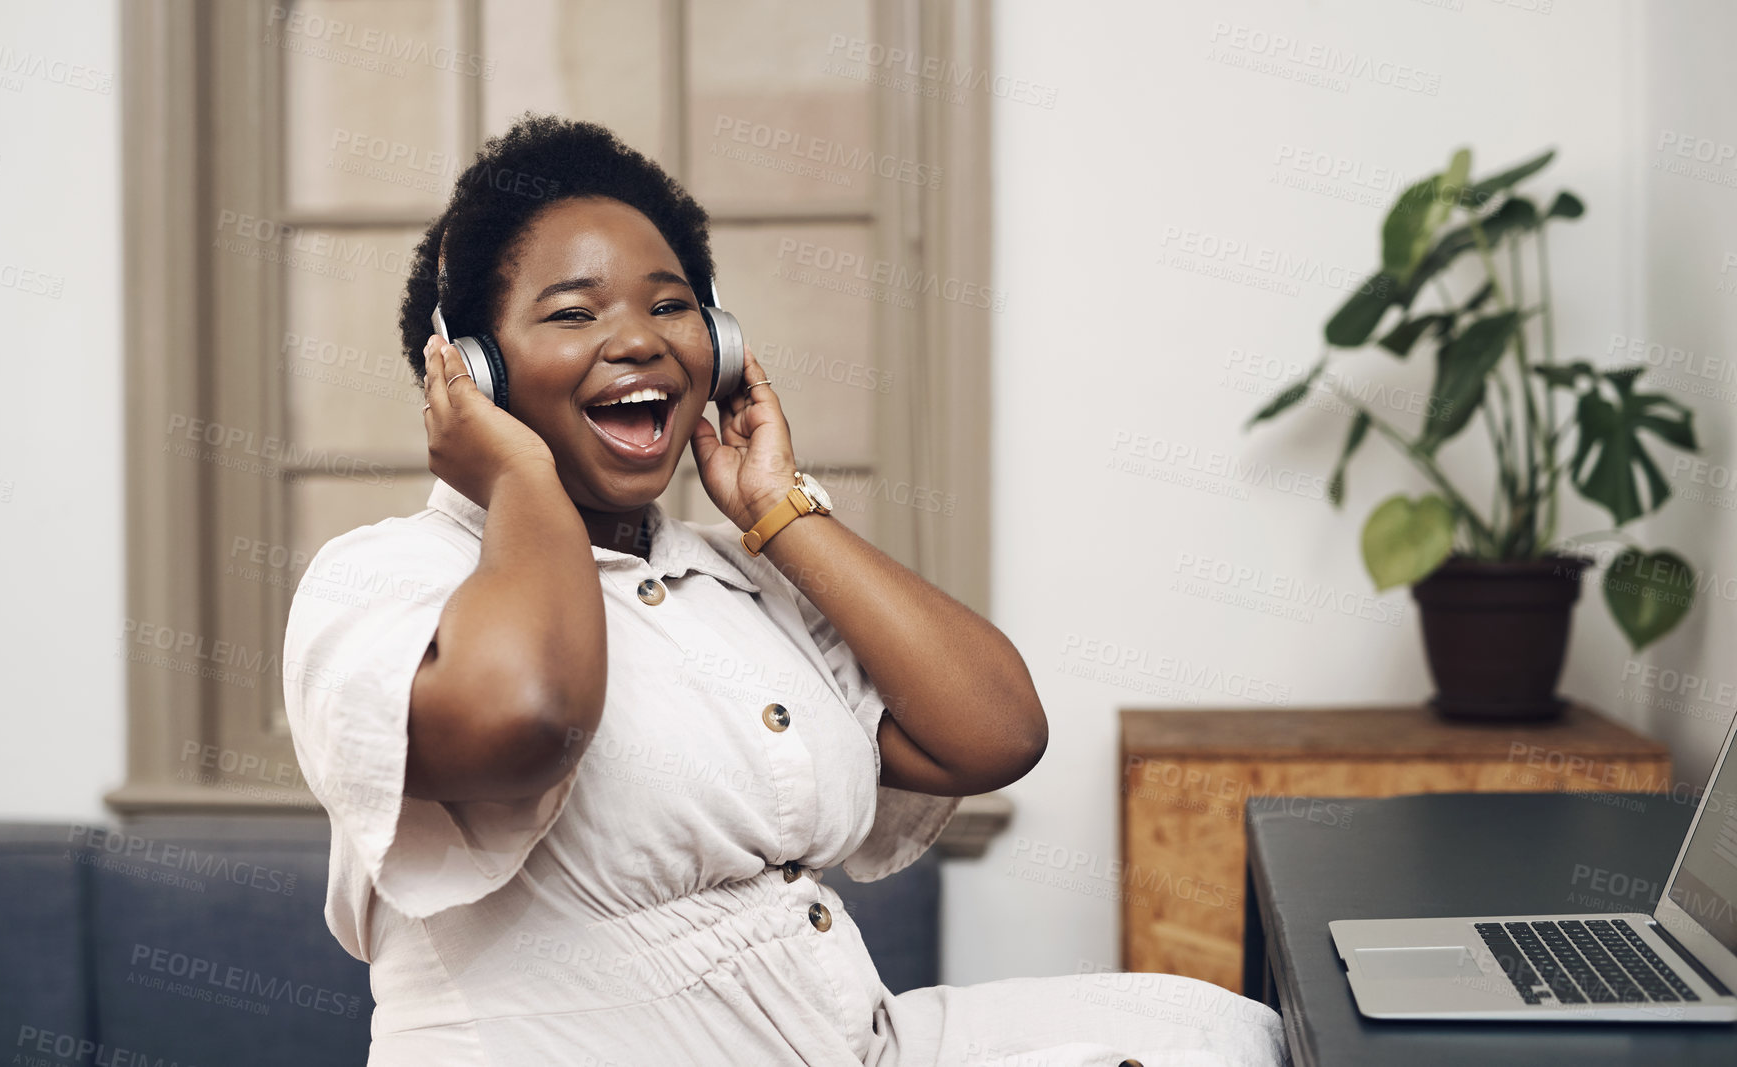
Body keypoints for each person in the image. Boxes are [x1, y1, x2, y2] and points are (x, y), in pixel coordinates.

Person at [282, 113, 1289, 1066]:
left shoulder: (732, 573)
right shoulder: (384, 577)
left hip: (853, 1036)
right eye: (575, 312)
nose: (638, 338)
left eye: (671, 304)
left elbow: (996, 733)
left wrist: (780, 510)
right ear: (472, 374)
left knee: (1224, 1031)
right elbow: (531, 715)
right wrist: (518, 479)